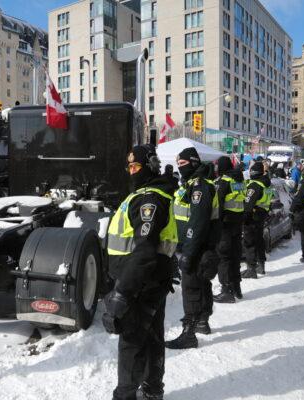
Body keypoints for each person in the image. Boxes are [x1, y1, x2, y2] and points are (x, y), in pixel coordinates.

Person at [103, 144, 177, 400]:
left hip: (140, 283)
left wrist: (122, 292)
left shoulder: (149, 199)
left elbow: (144, 250)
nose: (131, 171)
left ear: (148, 167)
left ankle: (126, 395)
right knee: (152, 337)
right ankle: (153, 390)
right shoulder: (148, 194)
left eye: (136, 167)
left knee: (132, 342)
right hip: (148, 280)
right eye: (129, 167)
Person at [165, 147, 220, 350]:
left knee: (192, 289)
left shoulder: (200, 187)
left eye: (184, 164)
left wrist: (188, 252)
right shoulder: (190, 185)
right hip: (194, 246)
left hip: (196, 247)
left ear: (194, 163)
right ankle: (202, 321)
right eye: (178, 165)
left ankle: (189, 332)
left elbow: (198, 222)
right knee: (201, 285)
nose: (181, 168)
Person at [213, 156, 246, 303]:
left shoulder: (224, 182)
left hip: (225, 224)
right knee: (235, 255)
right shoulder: (239, 180)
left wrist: (215, 224)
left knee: (224, 257)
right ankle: (236, 288)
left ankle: (226, 290)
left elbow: (218, 205)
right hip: (237, 223)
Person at [241, 161, 272, 278]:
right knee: (259, 240)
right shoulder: (267, 184)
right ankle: (261, 265)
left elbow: (248, 206)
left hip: (252, 217)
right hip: (262, 215)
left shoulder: (254, 185)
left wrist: (244, 219)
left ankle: (251, 269)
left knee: (249, 242)